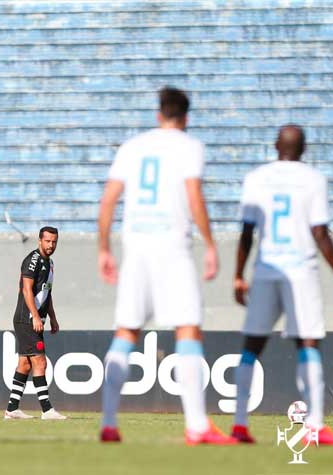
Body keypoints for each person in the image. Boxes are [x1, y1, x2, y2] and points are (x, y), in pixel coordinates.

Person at [97, 86, 235, 445]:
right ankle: (197, 425)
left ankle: (109, 422)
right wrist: (210, 244)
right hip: (172, 247)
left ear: (159, 113)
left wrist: (103, 249)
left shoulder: (133, 146)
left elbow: (109, 200)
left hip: (137, 246)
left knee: (126, 332)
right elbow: (193, 196)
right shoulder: (190, 147)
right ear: (186, 118)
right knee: (187, 329)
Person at [231, 125, 333, 445]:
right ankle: (314, 425)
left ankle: (240, 424)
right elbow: (321, 234)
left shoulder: (256, 178)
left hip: (267, 268)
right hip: (300, 271)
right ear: (304, 149)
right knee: (308, 343)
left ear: (275, 146)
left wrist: (238, 274)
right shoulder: (313, 180)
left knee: (252, 345)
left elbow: (246, 232)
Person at [4, 227, 66, 420]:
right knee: (40, 361)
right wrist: (36, 317)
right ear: (40, 241)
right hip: (27, 320)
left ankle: (12, 409)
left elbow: (47, 293)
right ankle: (47, 410)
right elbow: (26, 290)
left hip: (35, 320)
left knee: (24, 364)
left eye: (54, 242)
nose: (51, 245)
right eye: (47, 241)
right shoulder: (32, 261)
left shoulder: (50, 263)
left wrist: (53, 318)